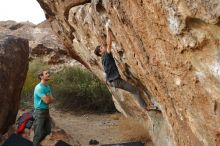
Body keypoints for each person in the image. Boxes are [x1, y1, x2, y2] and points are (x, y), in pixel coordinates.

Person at [94, 24, 158, 111]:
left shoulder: (103, 59)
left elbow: (107, 44)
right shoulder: (106, 56)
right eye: (101, 48)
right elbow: (109, 44)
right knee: (135, 91)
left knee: (133, 90)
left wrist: (108, 32)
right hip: (116, 81)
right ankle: (146, 107)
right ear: (100, 52)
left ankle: (146, 106)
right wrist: (107, 29)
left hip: (114, 82)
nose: (103, 47)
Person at [33, 70, 55, 146]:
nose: (48, 74)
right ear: (41, 76)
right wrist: (49, 98)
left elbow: (53, 99)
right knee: (38, 134)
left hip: (46, 111)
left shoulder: (47, 87)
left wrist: (49, 98)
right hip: (39, 112)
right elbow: (47, 101)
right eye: (46, 73)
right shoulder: (39, 87)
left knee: (47, 131)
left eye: (48, 73)